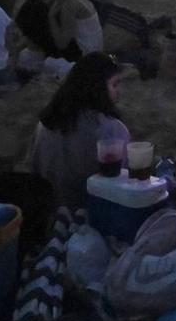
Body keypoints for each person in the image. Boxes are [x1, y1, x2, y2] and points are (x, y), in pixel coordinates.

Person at [27, 53, 133, 211]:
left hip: (48, 208)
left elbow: (34, 166)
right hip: (90, 211)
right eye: (114, 85)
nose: (119, 91)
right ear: (97, 88)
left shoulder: (47, 122)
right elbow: (123, 180)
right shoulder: (110, 129)